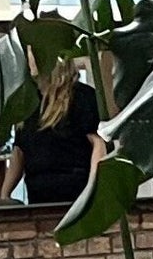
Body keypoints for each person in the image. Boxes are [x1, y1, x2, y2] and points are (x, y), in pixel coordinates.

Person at [7, 78, 103, 207]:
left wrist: (93, 187)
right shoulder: (28, 99)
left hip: (75, 192)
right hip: (37, 196)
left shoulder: (81, 95)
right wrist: (5, 193)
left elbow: (98, 143)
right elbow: (19, 151)